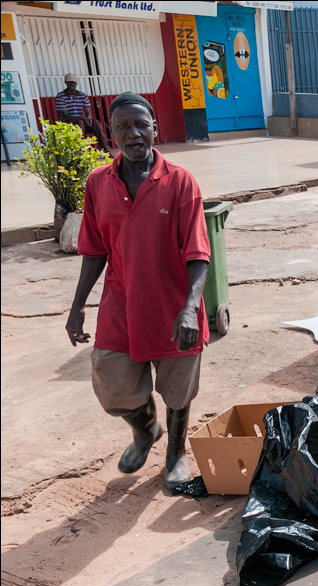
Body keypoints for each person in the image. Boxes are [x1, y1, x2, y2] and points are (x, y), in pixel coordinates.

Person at [65, 92, 210, 488]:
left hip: (174, 305)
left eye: (140, 124)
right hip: (121, 304)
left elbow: (198, 252)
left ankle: (176, 452)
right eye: (123, 126)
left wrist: (190, 307)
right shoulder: (98, 182)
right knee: (112, 383)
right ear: (109, 133)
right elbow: (94, 250)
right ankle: (145, 429)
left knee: (179, 392)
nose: (133, 133)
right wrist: (77, 306)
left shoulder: (179, 181)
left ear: (155, 129)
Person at [55, 73, 109, 151]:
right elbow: (65, 115)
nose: (71, 84)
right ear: (66, 83)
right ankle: (82, 150)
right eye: (69, 82)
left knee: (96, 123)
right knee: (80, 122)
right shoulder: (60, 96)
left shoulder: (82, 95)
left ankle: (106, 150)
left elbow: (88, 113)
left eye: (73, 82)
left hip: (82, 121)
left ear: (76, 83)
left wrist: (87, 119)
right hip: (67, 122)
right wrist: (83, 119)